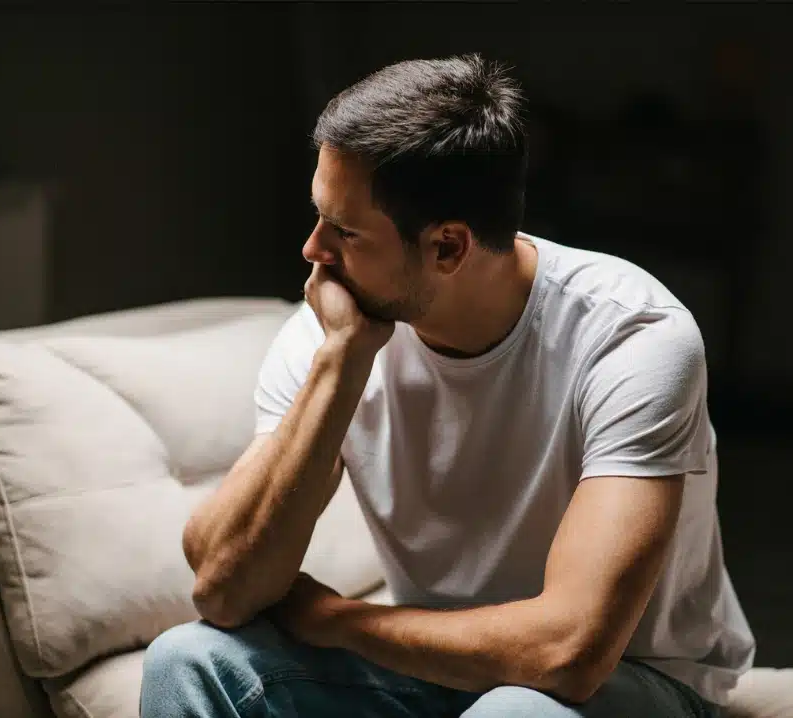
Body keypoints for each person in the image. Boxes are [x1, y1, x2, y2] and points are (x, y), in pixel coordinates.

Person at [140, 53, 755, 718]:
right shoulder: (333, 331)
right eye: (320, 216)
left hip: (633, 683)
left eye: (344, 231)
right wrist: (342, 360)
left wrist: (340, 620)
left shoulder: (632, 338)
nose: (313, 250)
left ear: (448, 248)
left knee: (513, 714)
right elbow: (224, 591)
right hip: (429, 671)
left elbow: (570, 653)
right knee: (190, 660)